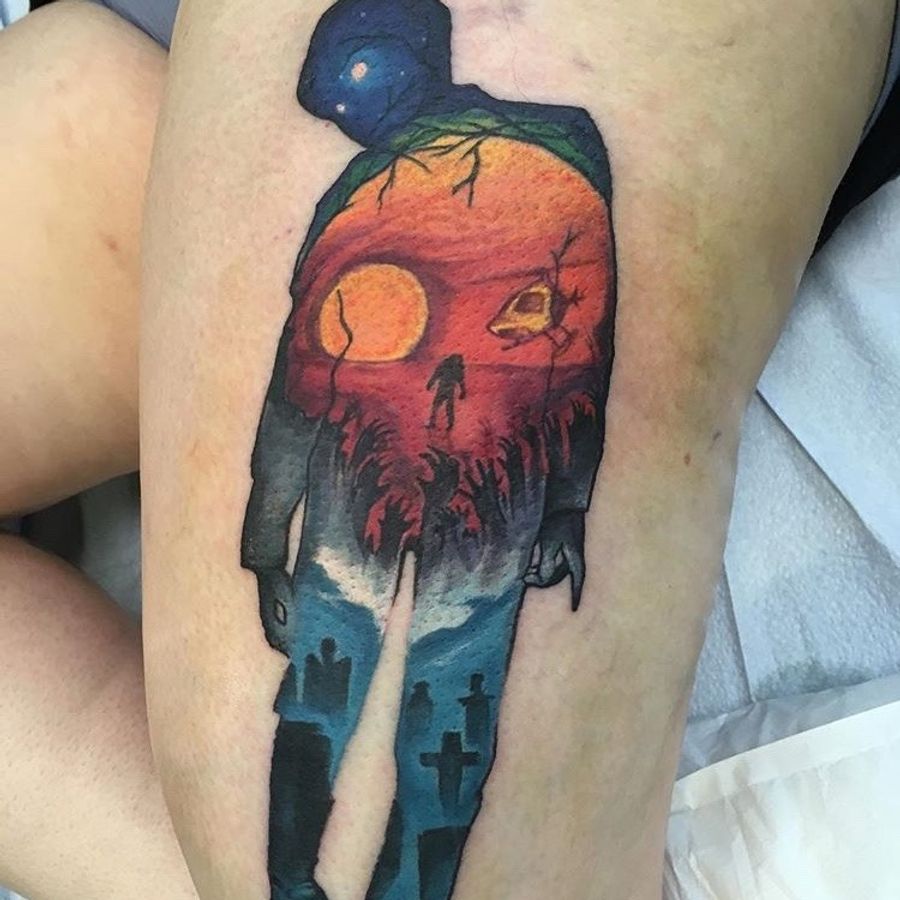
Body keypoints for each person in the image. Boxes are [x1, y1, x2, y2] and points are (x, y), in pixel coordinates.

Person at [0, 1, 898, 898]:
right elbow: (571, 375)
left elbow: (313, 394)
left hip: (400, 462)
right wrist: (562, 505)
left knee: (371, 703)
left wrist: (268, 542)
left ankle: (318, 865)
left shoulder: (416, 195)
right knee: (424, 709)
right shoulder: (537, 179)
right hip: (124, 131)